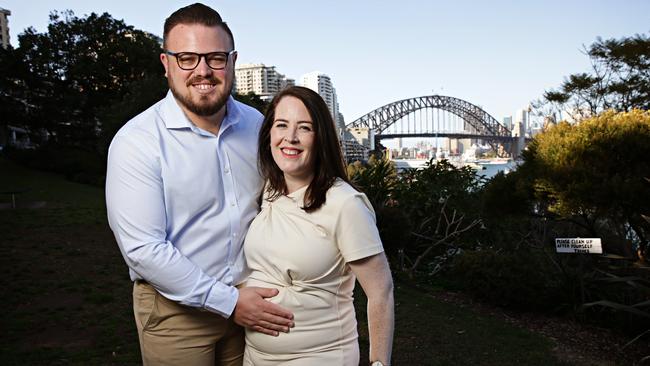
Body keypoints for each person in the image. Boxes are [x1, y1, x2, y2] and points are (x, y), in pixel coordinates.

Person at [105, 4, 293, 365]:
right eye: (187, 58)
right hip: (176, 314)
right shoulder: (136, 141)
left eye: (216, 58)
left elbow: (282, 199)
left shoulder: (257, 126)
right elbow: (143, 249)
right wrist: (230, 303)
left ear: (233, 61)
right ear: (166, 63)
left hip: (252, 300)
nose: (203, 71)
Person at [243, 86, 395, 366]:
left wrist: (379, 364)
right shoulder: (269, 190)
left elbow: (380, 291)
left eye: (305, 128)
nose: (290, 137)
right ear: (269, 135)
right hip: (255, 357)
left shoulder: (345, 204)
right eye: (281, 125)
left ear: (320, 138)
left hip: (320, 356)